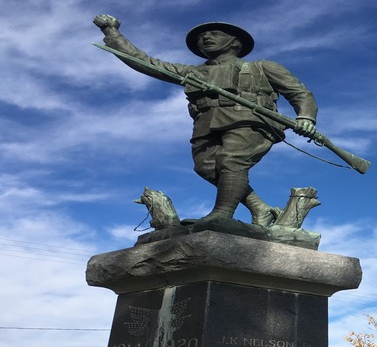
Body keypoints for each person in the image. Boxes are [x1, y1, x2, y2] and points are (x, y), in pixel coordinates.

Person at [94, 14, 318, 226]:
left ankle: (222, 216)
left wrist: (306, 117)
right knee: (206, 168)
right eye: (202, 38)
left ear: (235, 43)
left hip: (250, 120)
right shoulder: (193, 72)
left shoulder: (262, 67)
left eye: (214, 34)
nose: (206, 38)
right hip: (206, 125)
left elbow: (299, 93)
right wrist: (112, 34)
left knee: (231, 161)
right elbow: (147, 63)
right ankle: (260, 209)